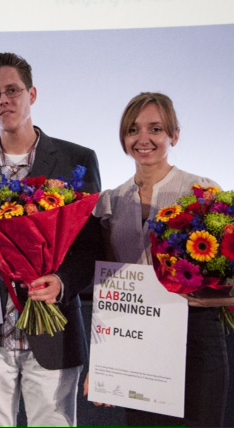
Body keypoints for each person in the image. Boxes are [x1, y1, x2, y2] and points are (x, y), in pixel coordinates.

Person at [0, 52, 102, 427]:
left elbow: (91, 244)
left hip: (54, 329)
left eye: (12, 90)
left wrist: (63, 283)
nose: (4, 100)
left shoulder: (76, 158)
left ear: (32, 94)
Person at [90, 92, 231, 427]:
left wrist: (203, 298)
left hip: (197, 340)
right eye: (133, 130)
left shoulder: (202, 190)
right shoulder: (109, 203)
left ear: (174, 135)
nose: (143, 139)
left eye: (155, 129)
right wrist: (104, 365)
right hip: (139, 343)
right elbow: (111, 288)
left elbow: (227, 276)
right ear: (123, 137)